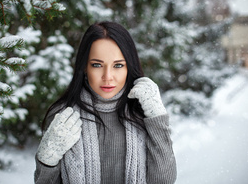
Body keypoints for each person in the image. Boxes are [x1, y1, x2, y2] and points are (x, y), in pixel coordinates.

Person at [34, 21, 177, 184]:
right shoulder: (64, 117)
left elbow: (164, 181)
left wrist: (157, 117)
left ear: (128, 67)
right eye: (97, 65)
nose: (108, 76)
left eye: (118, 65)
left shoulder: (143, 112)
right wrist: (46, 160)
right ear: (85, 68)